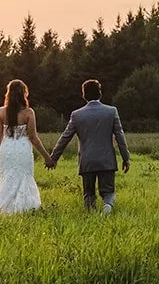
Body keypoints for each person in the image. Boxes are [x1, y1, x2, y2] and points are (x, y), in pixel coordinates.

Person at [47, 79, 130, 213]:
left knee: (89, 194)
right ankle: (107, 207)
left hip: (87, 160)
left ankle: (90, 214)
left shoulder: (77, 115)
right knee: (108, 192)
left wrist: (53, 158)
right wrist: (126, 158)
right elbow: (120, 136)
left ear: (84, 95)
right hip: (106, 160)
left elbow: (65, 138)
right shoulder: (111, 112)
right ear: (100, 93)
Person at [0, 79, 49, 215]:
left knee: (7, 178)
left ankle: (5, 210)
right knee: (24, 177)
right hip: (23, 149)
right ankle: (26, 209)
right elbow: (33, 138)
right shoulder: (29, 113)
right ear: (23, 94)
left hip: (6, 150)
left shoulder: (0, 112)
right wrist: (47, 157)